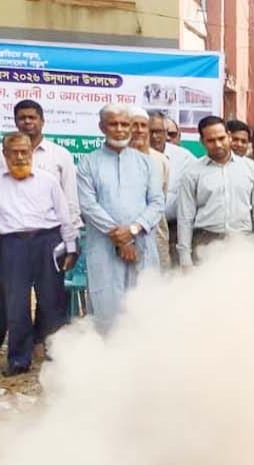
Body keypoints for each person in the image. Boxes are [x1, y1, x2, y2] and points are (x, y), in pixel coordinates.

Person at [0, 133, 79, 376]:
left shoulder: (47, 180)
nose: (19, 156)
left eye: (24, 151)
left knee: (51, 300)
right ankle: (18, 361)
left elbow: (64, 215)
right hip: (13, 243)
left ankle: (56, 357)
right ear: (4, 155)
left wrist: (71, 246)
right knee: (16, 304)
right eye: (13, 152)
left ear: (31, 153)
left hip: (47, 240)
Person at [0, 99, 78, 359]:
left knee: (51, 293)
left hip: (50, 236)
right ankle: (6, 346)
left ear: (42, 121)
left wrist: (71, 239)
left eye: (32, 117)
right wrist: (0, 223)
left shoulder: (60, 155)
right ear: (15, 121)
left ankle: (42, 343)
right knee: (12, 293)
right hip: (14, 238)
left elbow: (69, 199)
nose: (27, 122)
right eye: (22, 118)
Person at [76, 103, 164, 335]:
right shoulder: (88, 162)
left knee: (143, 305)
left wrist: (134, 230)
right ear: (102, 127)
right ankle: (107, 364)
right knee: (107, 307)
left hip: (142, 245)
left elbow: (157, 203)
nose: (120, 129)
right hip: (104, 247)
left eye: (125, 124)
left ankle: (141, 364)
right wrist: (120, 239)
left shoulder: (146, 162)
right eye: (113, 124)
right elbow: (88, 206)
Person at [177, 116, 254, 267]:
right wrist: (185, 258)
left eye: (221, 138)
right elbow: (185, 217)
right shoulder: (192, 172)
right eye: (211, 141)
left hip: (243, 242)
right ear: (202, 141)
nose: (218, 144)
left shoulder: (252, 169)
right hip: (205, 243)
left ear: (229, 136)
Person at [149, 111, 198, 266]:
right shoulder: (133, 157)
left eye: (161, 132)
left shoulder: (185, 158)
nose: (155, 137)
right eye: (151, 131)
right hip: (145, 230)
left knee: (176, 282)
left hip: (177, 230)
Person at [129, 107, 174, 271]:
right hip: (120, 238)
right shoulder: (110, 160)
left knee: (155, 291)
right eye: (135, 126)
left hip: (155, 237)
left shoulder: (161, 161)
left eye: (143, 126)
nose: (140, 131)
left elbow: (159, 203)